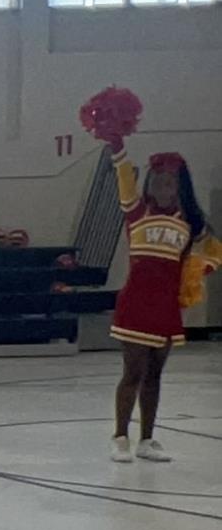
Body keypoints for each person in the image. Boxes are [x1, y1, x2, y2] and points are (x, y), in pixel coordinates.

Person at [107, 139, 220, 463]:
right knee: (133, 372)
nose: (163, 186)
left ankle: (146, 439)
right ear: (149, 184)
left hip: (166, 306)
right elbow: (124, 177)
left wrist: (199, 271)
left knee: (155, 375)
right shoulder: (136, 210)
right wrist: (117, 145)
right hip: (136, 303)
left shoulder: (189, 222)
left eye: (169, 182)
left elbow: (213, 251)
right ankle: (119, 437)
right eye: (157, 181)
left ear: (179, 186)